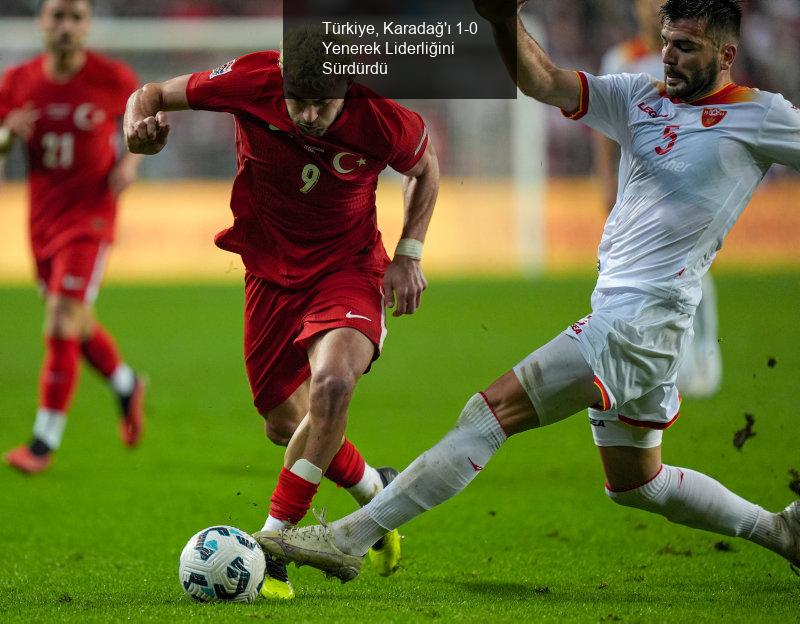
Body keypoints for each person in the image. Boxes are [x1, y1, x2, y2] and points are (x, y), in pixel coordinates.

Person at [254, 0, 800, 582]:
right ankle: (782, 532)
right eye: (666, 41)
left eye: (686, 47)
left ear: (727, 55)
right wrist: (500, 20)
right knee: (638, 484)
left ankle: (349, 538)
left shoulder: (759, 115)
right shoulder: (641, 98)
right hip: (632, 320)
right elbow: (545, 81)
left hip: (638, 323)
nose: (668, 55)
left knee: (485, 416)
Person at [124, 26, 439, 599]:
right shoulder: (251, 79)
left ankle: (272, 548)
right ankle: (377, 496)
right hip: (268, 271)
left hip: (348, 268)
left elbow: (426, 168)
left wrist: (408, 253)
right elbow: (149, 94)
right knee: (282, 420)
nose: (313, 114)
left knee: (333, 386)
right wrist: (136, 128)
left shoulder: (381, 117)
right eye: (301, 101)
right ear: (282, 81)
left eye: (326, 102)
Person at [1, 0, 146, 475]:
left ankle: (43, 441)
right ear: (42, 23)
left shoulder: (113, 78)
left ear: (86, 26)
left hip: (92, 216)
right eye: (57, 16)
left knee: (62, 317)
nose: (66, 26)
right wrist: (7, 136)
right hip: (42, 220)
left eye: (75, 17)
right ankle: (126, 384)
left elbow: (141, 129)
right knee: (76, 322)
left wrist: (130, 162)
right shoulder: (18, 81)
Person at [595, 0, 722, 399]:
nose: (652, 10)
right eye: (646, 2)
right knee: (639, 268)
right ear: (635, 9)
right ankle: (650, 355)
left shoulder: (695, 57)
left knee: (690, 266)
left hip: (686, 183)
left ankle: (701, 350)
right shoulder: (621, 58)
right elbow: (604, 124)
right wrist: (605, 183)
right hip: (638, 188)